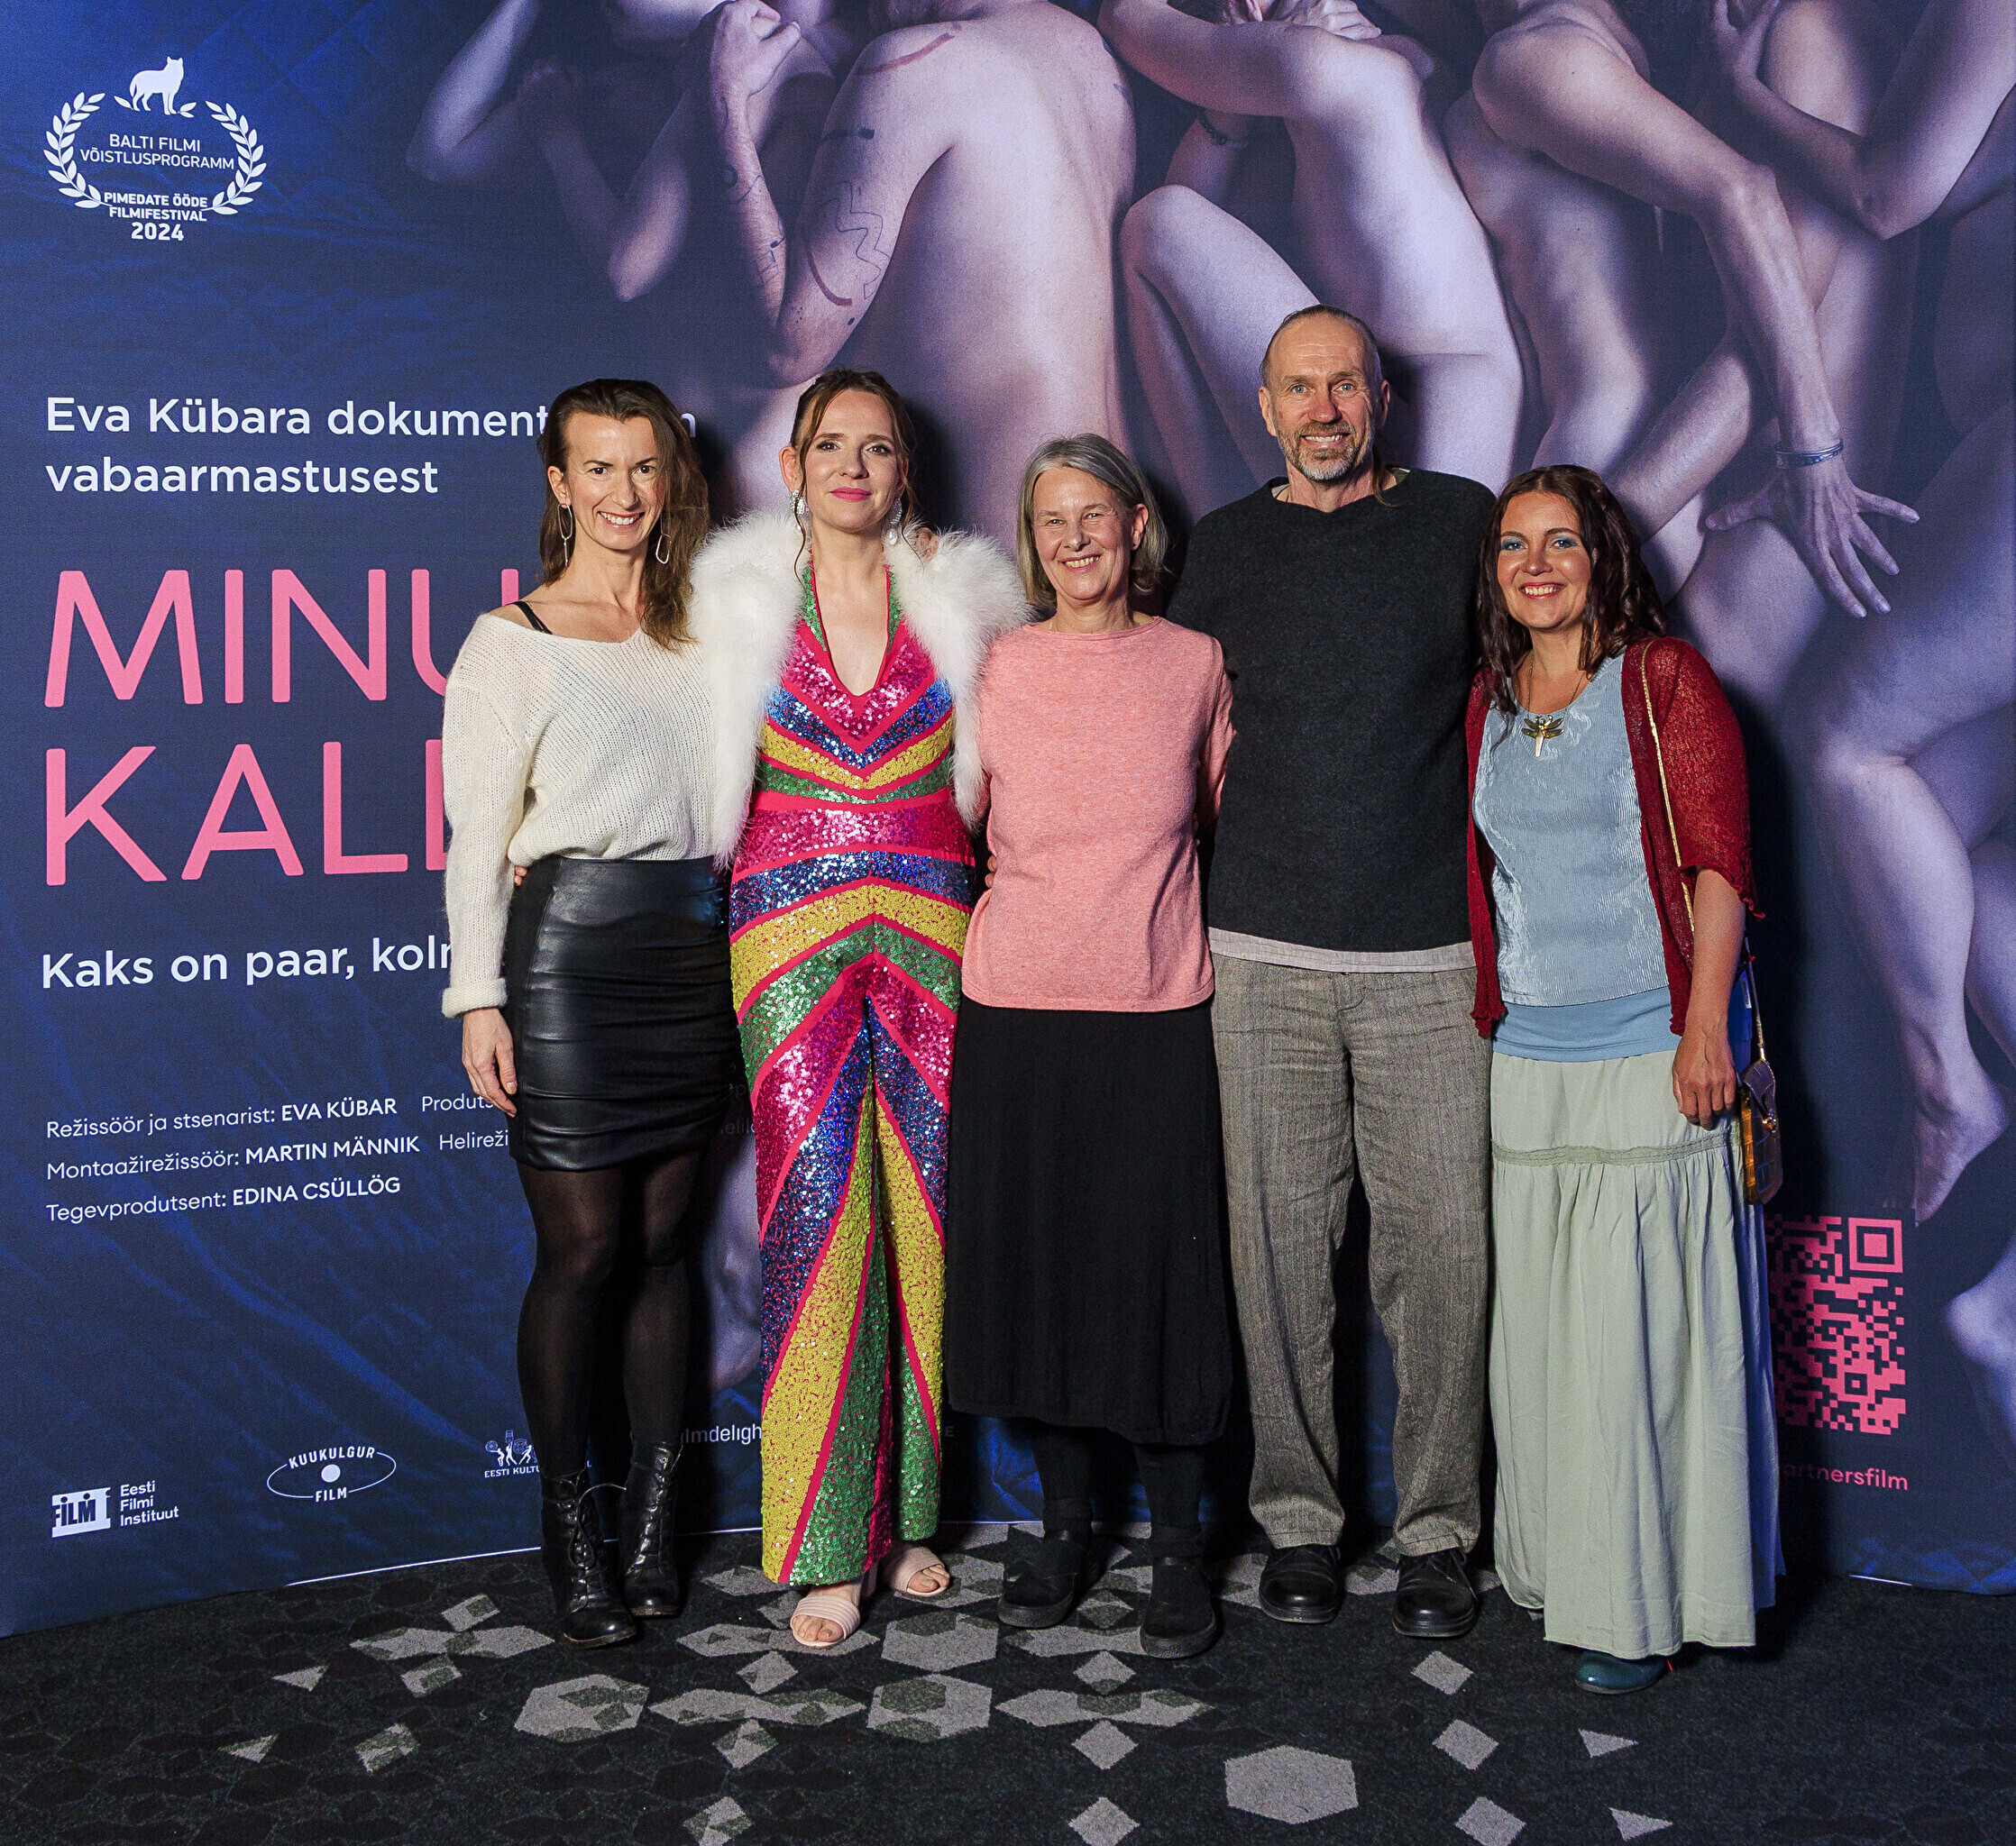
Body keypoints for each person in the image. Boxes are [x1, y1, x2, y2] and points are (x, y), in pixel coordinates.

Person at [1709, 0, 2014, 1454]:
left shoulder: (1817, 36)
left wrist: (1799, 450)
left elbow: (1856, 211)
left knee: (1844, 779)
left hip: (1871, 505)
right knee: (1945, 868)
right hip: (1913, 494)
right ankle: (1959, 1332)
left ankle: (1846, 1406)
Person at [1168, 304, 1494, 1639]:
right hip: (1261, 954)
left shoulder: (1460, 522)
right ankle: (1298, 1522)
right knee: (1279, 1255)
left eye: (1344, 385)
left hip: (1429, 955)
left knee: (1445, 1254)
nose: (1323, 410)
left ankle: (1439, 1532)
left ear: (1380, 399)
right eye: (1298, 389)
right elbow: (1175, 729)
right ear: (1265, 409)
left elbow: (1538, 677)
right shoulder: (1222, 547)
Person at [688, 369, 1025, 1646]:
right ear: (792, 465)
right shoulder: (729, 599)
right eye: (831, 443)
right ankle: (830, 1545)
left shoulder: (967, 598)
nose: (852, 465)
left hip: (938, 924)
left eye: (877, 448)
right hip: (786, 932)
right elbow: (673, 754)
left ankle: (912, 1515)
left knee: (929, 1214)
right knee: (820, 1213)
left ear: (903, 472)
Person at [1464, 463, 1780, 1691]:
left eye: (1561, 541)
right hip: (1528, 1060)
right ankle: (1574, 1572)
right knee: (1552, 1341)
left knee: (1640, 1344)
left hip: (1651, 1048)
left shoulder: (1664, 680)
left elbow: (1717, 865)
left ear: (1604, 556)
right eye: (1512, 545)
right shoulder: (1488, 702)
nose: (1535, 565)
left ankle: (1649, 1600)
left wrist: (1704, 1030)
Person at [442, 378, 741, 1647]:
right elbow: (476, 840)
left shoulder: (711, 631)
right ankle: (569, 1525)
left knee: (667, 1250)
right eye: (599, 468)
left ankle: (657, 1520)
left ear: (672, 479)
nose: (626, 492)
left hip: (694, 952)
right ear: (560, 485)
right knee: (583, 1253)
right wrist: (479, 996)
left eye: (645, 466)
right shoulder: (511, 640)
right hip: (567, 960)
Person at [944, 435, 1236, 1659]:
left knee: (1161, 1285)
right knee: (1044, 1283)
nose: (1074, 539)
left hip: (1155, 1010)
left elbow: (1210, 818)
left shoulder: (1194, 663)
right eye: (1050, 520)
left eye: (1093, 515)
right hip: (1016, 1010)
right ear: (1033, 541)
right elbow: (956, 822)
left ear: (1136, 524)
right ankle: (1063, 1529)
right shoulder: (995, 666)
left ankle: (1177, 1550)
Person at [1445, 0, 1915, 631]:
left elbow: (1743, 194)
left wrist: (1814, 451)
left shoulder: (1535, 57)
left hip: (1610, 465)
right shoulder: (1630, 67)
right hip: (1673, 473)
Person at [700, 0, 1135, 543]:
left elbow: (787, 349)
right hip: (1111, 540)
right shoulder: (1092, 55)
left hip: (1002, 567)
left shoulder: (908, 66)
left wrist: (722, 94)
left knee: (763, 432)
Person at [1106, 0, 1522, 515]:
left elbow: (1123, 17)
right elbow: (1183, 236)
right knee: (1161, 222)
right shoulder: (1406, 62)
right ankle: (1236, 540)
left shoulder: (1310, 61)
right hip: (1459, 397)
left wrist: (1234, 69)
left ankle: (1229, 536)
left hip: (1443, 402)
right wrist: (1232, 104)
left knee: (1156, 220)